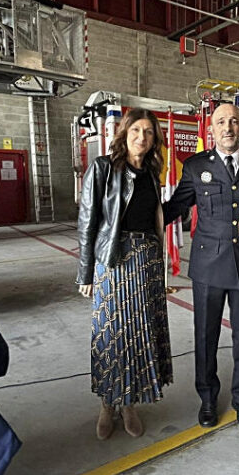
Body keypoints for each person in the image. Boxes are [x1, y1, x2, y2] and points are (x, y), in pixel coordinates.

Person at [163, 102, 239, 429]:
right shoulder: (196, 166)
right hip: (208, 265)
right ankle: (208, 399)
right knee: (206, 335)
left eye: (234, 121)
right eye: (221, 122)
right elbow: (176, 206)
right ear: (211, 129)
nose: (228, 127)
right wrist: (136, 216)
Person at [76, 108, 173, 440]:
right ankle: (107, 404)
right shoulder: (103, 168)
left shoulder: (151, 172)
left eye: (148, 132)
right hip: (113, 260)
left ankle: (130, 403)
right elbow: (87, 222)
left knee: (138, 335)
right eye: (136, 130)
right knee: (111, 335)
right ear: (124, 133)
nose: (141, 137)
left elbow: (155, 219)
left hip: (146, 262)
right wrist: (86, 272)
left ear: (154, 139)